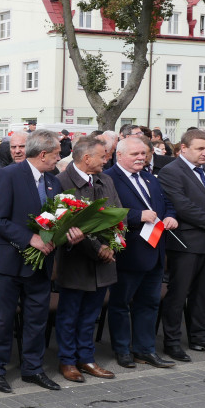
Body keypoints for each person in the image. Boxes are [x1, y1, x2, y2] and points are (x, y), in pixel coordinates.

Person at [0, 130, 77, 393]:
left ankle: (33, 368)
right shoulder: (8, 175)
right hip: (9, 263)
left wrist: (68, 233)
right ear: (44, 154)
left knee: (36, 319)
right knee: (1, 320)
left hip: (41, 264)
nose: (61, 157)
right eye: (58, 153)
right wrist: (30, 239)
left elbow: (54, 220)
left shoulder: (53, 181)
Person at [157, 129, 205, 360]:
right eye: (200, 149)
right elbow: (182, 206)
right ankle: (172, 342)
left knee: (203, 295)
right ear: (183, 148)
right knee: (178, 294)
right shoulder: (171, 171)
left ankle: (201, 338)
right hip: (186, 243)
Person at [105, 136, 178, 368]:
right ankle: (122, 349)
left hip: (155, 251)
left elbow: (167, 203)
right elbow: (107, 212)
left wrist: (170, 216)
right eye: (134, 154)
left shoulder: (149, 177)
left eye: (143, 154)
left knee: (149, 303)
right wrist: (136, 216)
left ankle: (145, 349)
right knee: (121, 304)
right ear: (119, 155)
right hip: (129, 252)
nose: (140, 158)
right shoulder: (109, 179)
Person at [54, 137, 120, 382]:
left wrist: (112, 245)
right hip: (76, 263)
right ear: (86, 158)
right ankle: (68, 361)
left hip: (103, 263)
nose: (107, 160)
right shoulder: (61, 182)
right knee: (69, 315)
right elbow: (66, 226)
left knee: (90, 316)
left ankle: (87, 358)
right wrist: (98, 248)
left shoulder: (106, 180)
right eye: (103, 156)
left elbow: (117, 216)